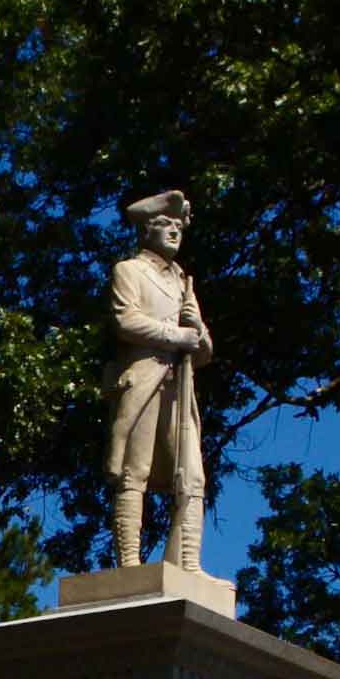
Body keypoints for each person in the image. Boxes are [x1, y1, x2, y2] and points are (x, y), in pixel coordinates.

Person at [104, 189, 215, 570]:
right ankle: (130, 563)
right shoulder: (129, 271)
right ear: (146, 230)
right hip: (145, 379)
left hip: (180, 390)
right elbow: (125, 320)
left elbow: (205, 351)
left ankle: (190, 565)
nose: (173, 231)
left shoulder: (184, 282)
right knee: (134, 472)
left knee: (193, 477)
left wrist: (196, 329)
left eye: (178, 225)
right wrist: (177, 336)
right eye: (164, 224)